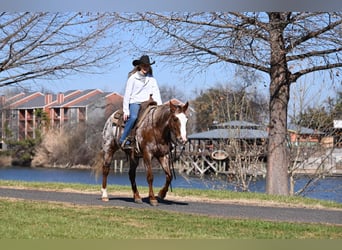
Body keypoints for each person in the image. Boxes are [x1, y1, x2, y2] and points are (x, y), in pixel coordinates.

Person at [119, 55, 162, 149]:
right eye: (144, 65)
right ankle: (123, 139)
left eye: (147, 66)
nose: (146, 67)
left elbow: (156, 93)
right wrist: (126, 110)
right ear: (139, 66)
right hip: (135, 102)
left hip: (147, 103)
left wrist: (160, 107)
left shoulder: (152, 79)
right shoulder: (132, 78)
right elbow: (127, 95)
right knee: (134, 117)